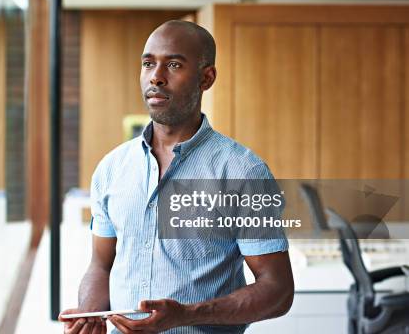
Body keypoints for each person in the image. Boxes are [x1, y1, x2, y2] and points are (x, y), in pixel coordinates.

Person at [59, 20, 294, 334]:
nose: (156, 77)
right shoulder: (112, 168)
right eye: (148, 64)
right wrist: (90, 315)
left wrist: (185, 314)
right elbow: (100, 265)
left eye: (173, 64)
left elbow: (277, 291)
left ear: (206, 78)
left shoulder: (242, 172)